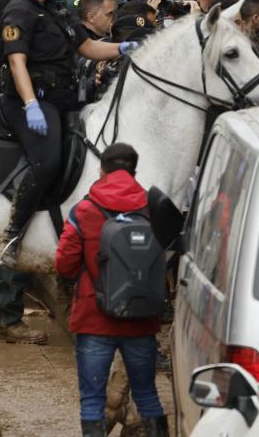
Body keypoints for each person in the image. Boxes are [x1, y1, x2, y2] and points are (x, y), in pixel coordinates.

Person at [0, 0, 132, 267]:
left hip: (64, 99)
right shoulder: (19, 11)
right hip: (30, 103)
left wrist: (125, 47)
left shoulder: (59, 10)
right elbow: (17, 63)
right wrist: (30, 105)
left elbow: (87, 48)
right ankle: (12, 233)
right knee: (47, 161)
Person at [55, 142, 168, 437]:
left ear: (101, 170)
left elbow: (64, 265)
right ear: (134, 171)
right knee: (147, 396)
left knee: (92, 400)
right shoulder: (153, 208)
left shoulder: (84, 209)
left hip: (94, 319)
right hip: (142, 319)